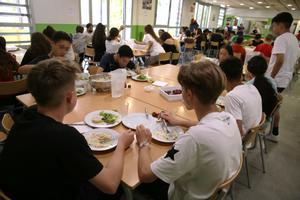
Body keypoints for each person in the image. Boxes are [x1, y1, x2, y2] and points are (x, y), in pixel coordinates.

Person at [0, 59, 134, 199]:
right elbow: (110, 185)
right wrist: (121, 144)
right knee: (118, 189)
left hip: (16, 190)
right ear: (70, 97)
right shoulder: (65, 137)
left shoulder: (27, 115)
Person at [135, 60, 242, 200]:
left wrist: (144, 144)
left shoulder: (193, 139)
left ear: (189, 94)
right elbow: (206, 126)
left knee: (132, 183)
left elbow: (145, 175)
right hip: (214, 188)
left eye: (182, 89)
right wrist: (180, 121)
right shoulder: (228, 117)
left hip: (184, 195)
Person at [266, 12, 300, 142]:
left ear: (280, 25)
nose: (273, 29)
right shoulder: (294, 39)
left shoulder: (281, 39)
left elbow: (279, 60)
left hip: (277, 79)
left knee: (270, 106)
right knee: (275, 106)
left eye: (274, 25)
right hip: (285, 78)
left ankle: (268, 132)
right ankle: (274, 132)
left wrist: (270, 77)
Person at [220, 57, 262, 137]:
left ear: (223, 77)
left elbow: (237, 133)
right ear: (241, 75)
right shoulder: (252, 87)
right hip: (252, 135)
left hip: (241, 140)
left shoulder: (232, 97)